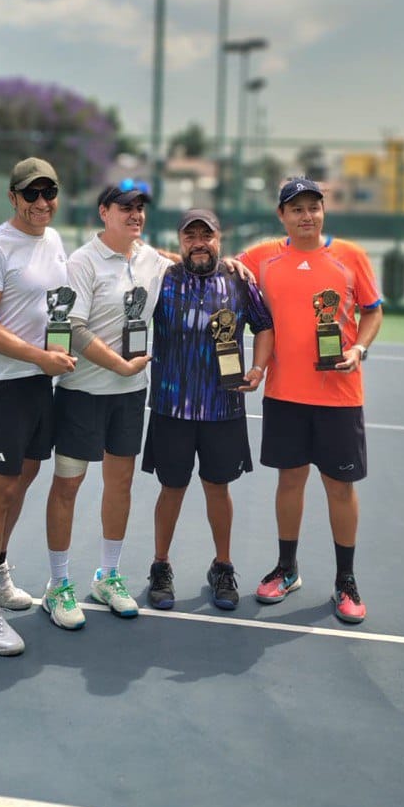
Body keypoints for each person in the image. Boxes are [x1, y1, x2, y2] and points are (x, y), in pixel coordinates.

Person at [237, 176, 382, 624]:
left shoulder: (350, 256)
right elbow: (212, 264)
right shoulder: (262, 258)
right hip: (284, 394)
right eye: (296, 208)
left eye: (313, 207)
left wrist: (360, 348)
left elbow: (373, 310)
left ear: (323, 212)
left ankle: (346, 579)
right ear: (282, 216)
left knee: (340, 487)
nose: (306, 216)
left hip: (339, 396)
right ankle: (287, 568)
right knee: (290, 482)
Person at [0, 157, 76, 657]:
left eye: (49, 193)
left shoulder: (53, 241)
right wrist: (40, 357)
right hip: (2, 388)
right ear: (13, 198)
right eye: (32, 194)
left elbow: (57, 308)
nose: (42, 203)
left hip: (37, 387)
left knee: (23, 479)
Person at [42, 181, 173, 630]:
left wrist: (236, 265)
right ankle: (58, 585)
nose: (135, 215)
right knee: (67, 488)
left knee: (120, 485)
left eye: (140, 208)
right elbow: (73, 327)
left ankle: (108, 576)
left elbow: (189, 264)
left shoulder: (152, 260)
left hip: (130, 396)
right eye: (125, 207)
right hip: (82, 394)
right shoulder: (81, 262)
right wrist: (118, 364)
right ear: (104, 212)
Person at [142, 208, 273, 612]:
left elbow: (264, 325)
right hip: (171, 407)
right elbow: (132, 248)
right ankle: (160, 566)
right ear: (180, 241)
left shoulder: (238, 279)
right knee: (172, 489)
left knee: (218, 487)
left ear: (220, 238)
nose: (199, 243)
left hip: (223, 406)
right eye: (190, 236)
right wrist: (163, 255)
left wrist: (258, 368)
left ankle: (222, 566)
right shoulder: (162, 278)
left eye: (207, 235)